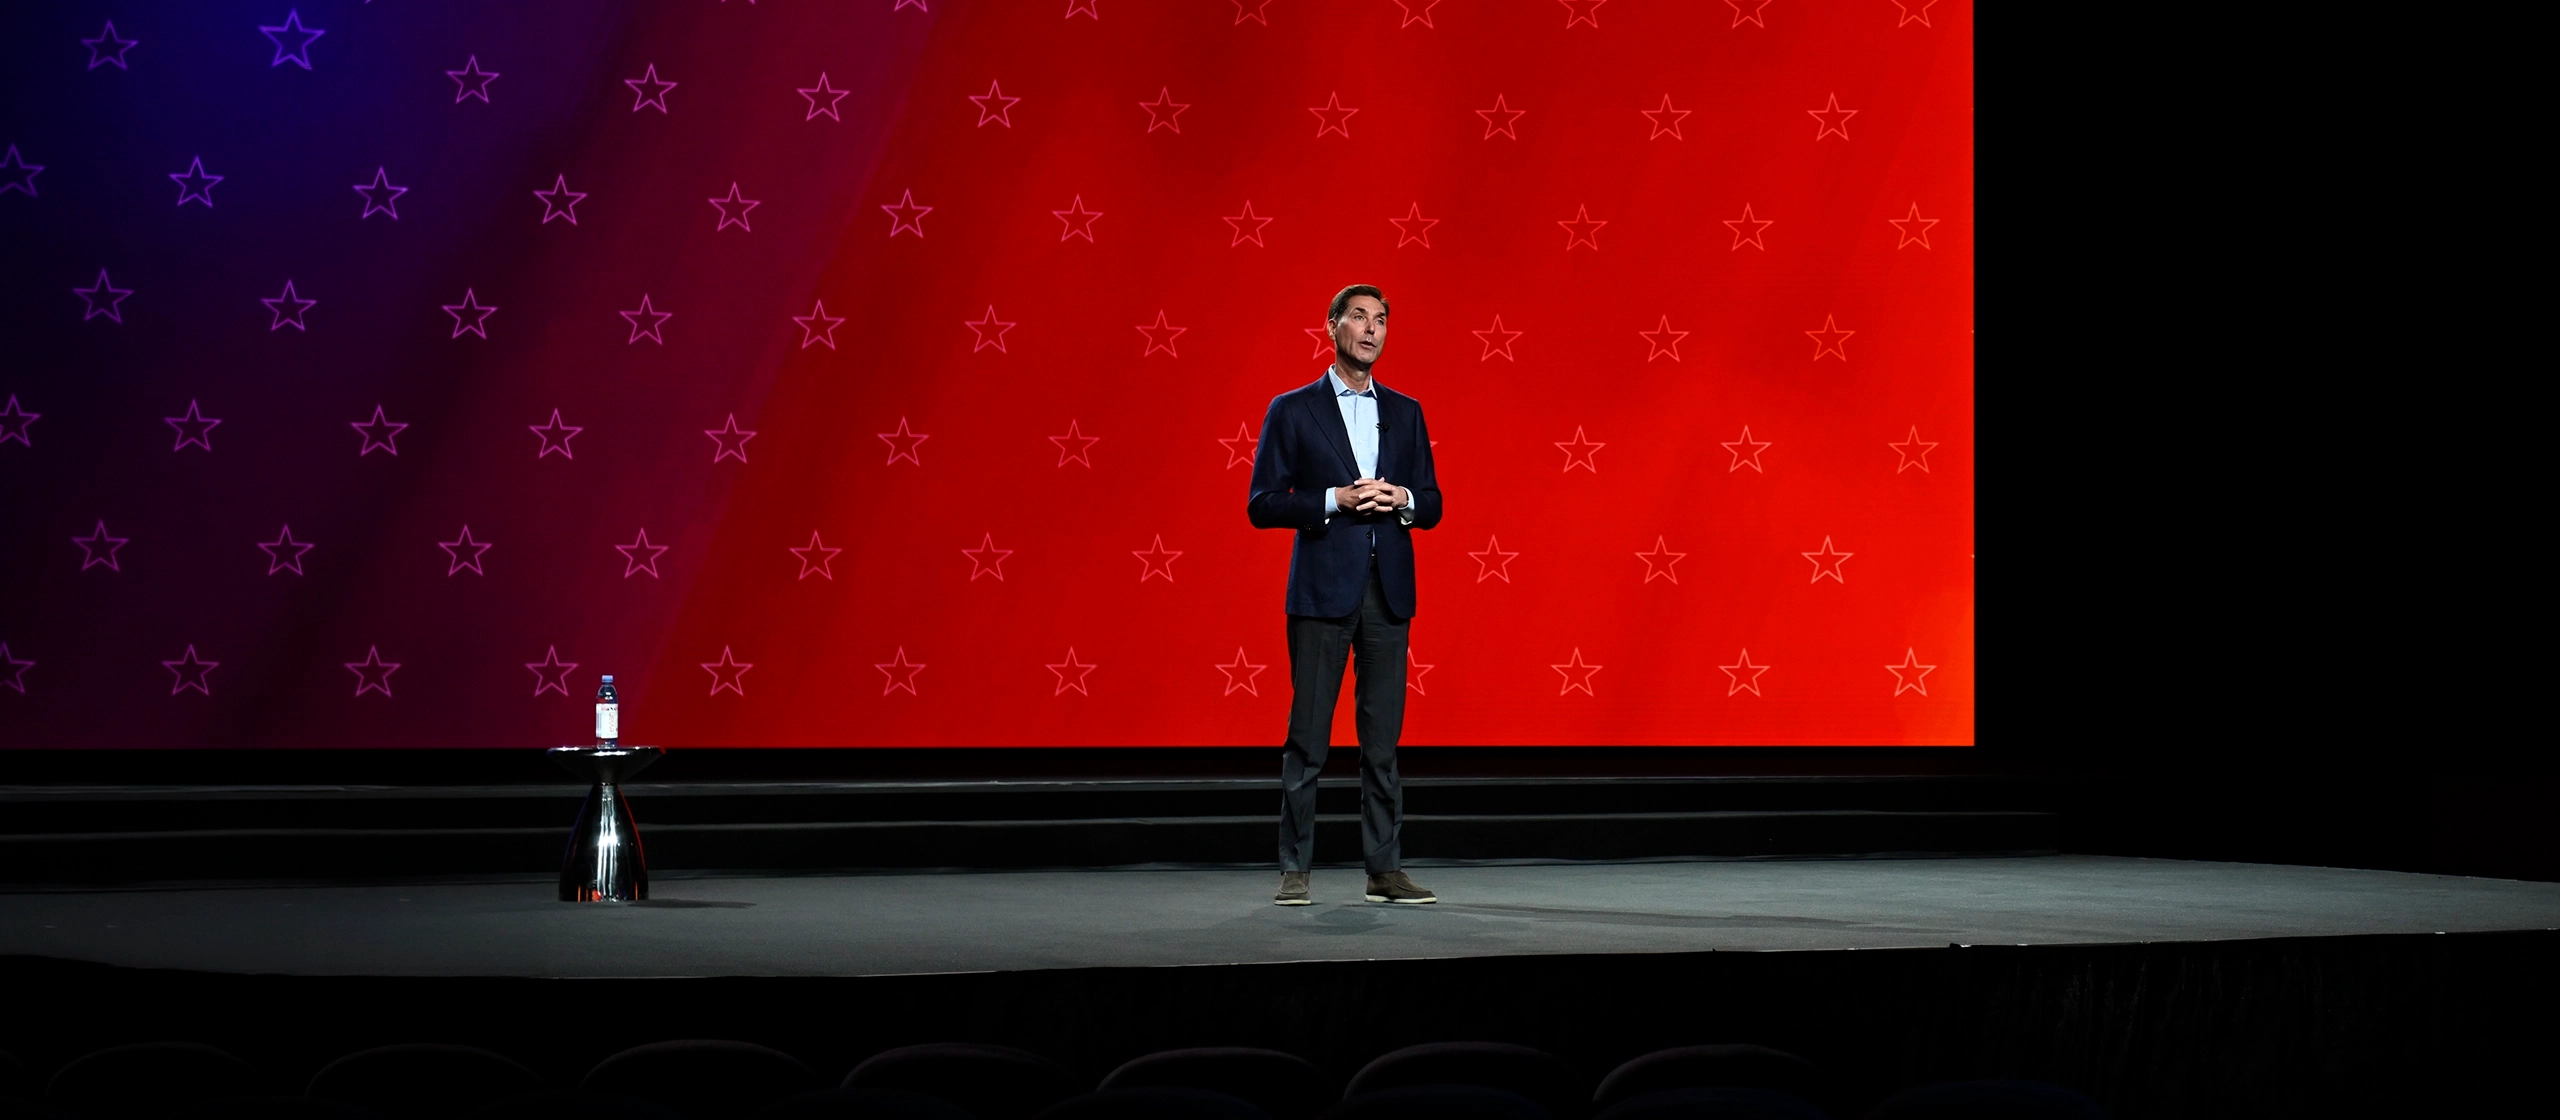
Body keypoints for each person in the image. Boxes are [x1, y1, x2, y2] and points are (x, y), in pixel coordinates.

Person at [1247, 284, 1443, 906]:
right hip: (1320, 593)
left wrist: (1402, 499)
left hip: (1387, 594)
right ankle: (1294, 868)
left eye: (1381, 320)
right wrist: (1337, 500)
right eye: (1358, 318)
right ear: (1332, 326)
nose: (1371, 329)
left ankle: (1383, 871)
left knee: (1381, 740)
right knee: (1308, 737)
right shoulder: (1292, 409)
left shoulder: (1407, 411)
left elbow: (1433, 503)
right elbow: (1262, 505)